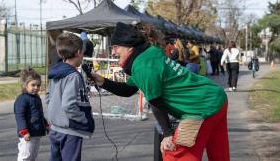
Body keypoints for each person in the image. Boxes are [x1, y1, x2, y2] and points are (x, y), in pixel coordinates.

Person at [92, 22, 230, 161]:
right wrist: (103, 82)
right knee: (219, 155)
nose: (113, 52)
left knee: (174, 154)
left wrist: (168, 134)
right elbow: (128, 89)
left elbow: (155, 101)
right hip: (216, 97)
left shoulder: (142, 66)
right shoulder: (149, 54)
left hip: (200, 109)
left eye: (116, 47)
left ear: (129, 47)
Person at [46, 32, 95, 161]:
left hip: (55, 128)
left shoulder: (55, 73)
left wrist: (53, 115)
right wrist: (83, 119)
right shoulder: (73, 76)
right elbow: (69, 105)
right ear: (79, 52)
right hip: (70, 131)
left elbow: (48, 97)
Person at [14, 68, 49, 161]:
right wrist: (24, 131)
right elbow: (19, 116)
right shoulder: (22, 99)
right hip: (27, 134)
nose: (36, 88)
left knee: (33, 156)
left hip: (36, 132)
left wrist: (46, 125)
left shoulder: (36, 98)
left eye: (38, 85)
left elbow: (39, 114)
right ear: (25, 85)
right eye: (33, 85)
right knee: (25, 156)